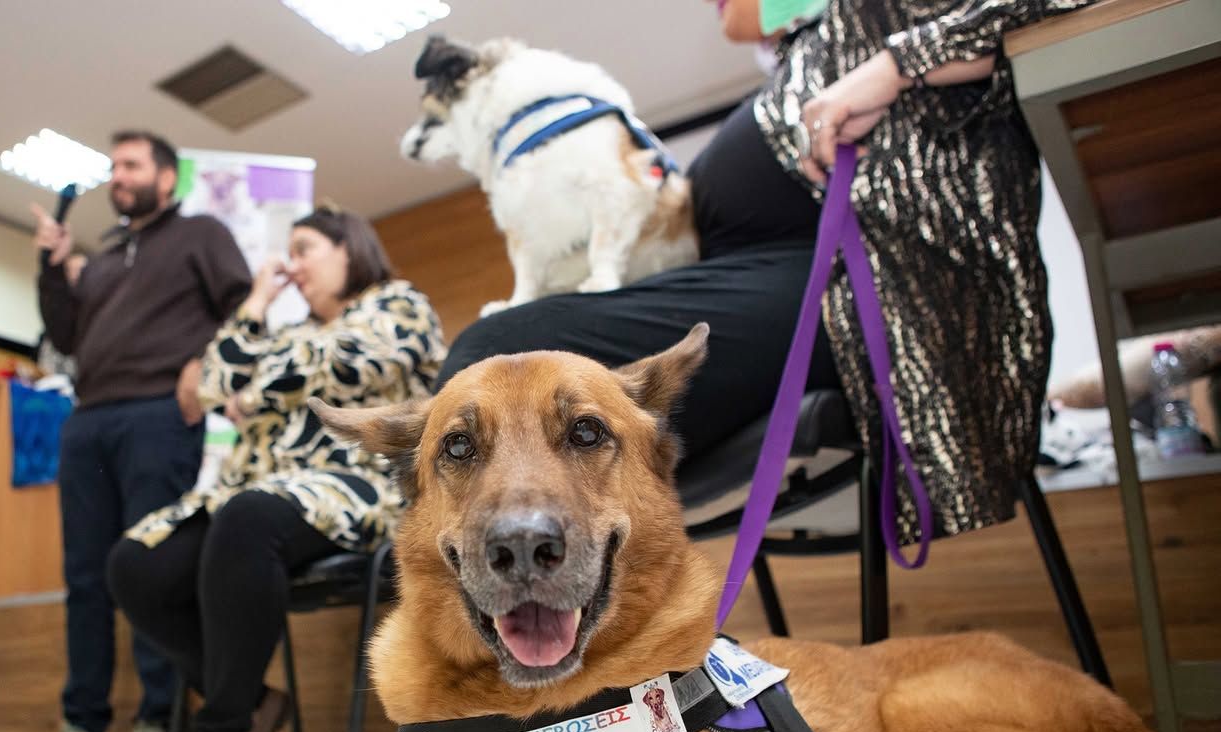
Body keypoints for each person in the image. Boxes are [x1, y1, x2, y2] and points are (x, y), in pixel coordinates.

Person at [439, 0, 1096, 545]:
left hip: (853, 293)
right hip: (763, 280)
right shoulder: (806, 49)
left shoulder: (875, 17)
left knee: (495, 361)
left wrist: (894, 68)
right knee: (487, 368)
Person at [107, 206, 446, 732]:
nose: (292, 264)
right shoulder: (285, 332)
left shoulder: (399, 305)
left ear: (350, 249)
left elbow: (349, 363)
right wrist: (257, 303)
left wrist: (254, 391)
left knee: (248, 518)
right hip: (260, 489)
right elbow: (211, 383)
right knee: (137, 562)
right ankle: (258, 702)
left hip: (354, 482)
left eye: (306, 247)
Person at [23, 130, 254, 732]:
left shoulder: (201, 234)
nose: (117, 176)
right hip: (88, 418)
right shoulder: (101, 258)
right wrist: (52, 266)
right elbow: (65, 333)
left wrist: (204, 367)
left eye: (131, 165)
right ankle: (82, 725)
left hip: (158, 416)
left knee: (147, 568)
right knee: (85, 578)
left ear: (167, 177)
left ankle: (156, 721)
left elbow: (242, 307)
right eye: (114, 167)